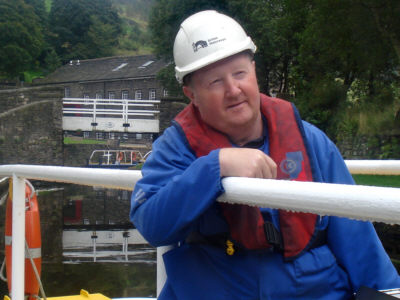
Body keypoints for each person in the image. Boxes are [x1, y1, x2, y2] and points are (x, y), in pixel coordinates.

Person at [130, 10, 400, 299]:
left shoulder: (311, 143)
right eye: (215, 82)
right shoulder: (177, 148)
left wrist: (387, 293)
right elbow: (152, 223)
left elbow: (358, 240)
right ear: (191, 94)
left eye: (240, 74)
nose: (233, 90)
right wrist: (215, 166)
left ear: (254, 72)